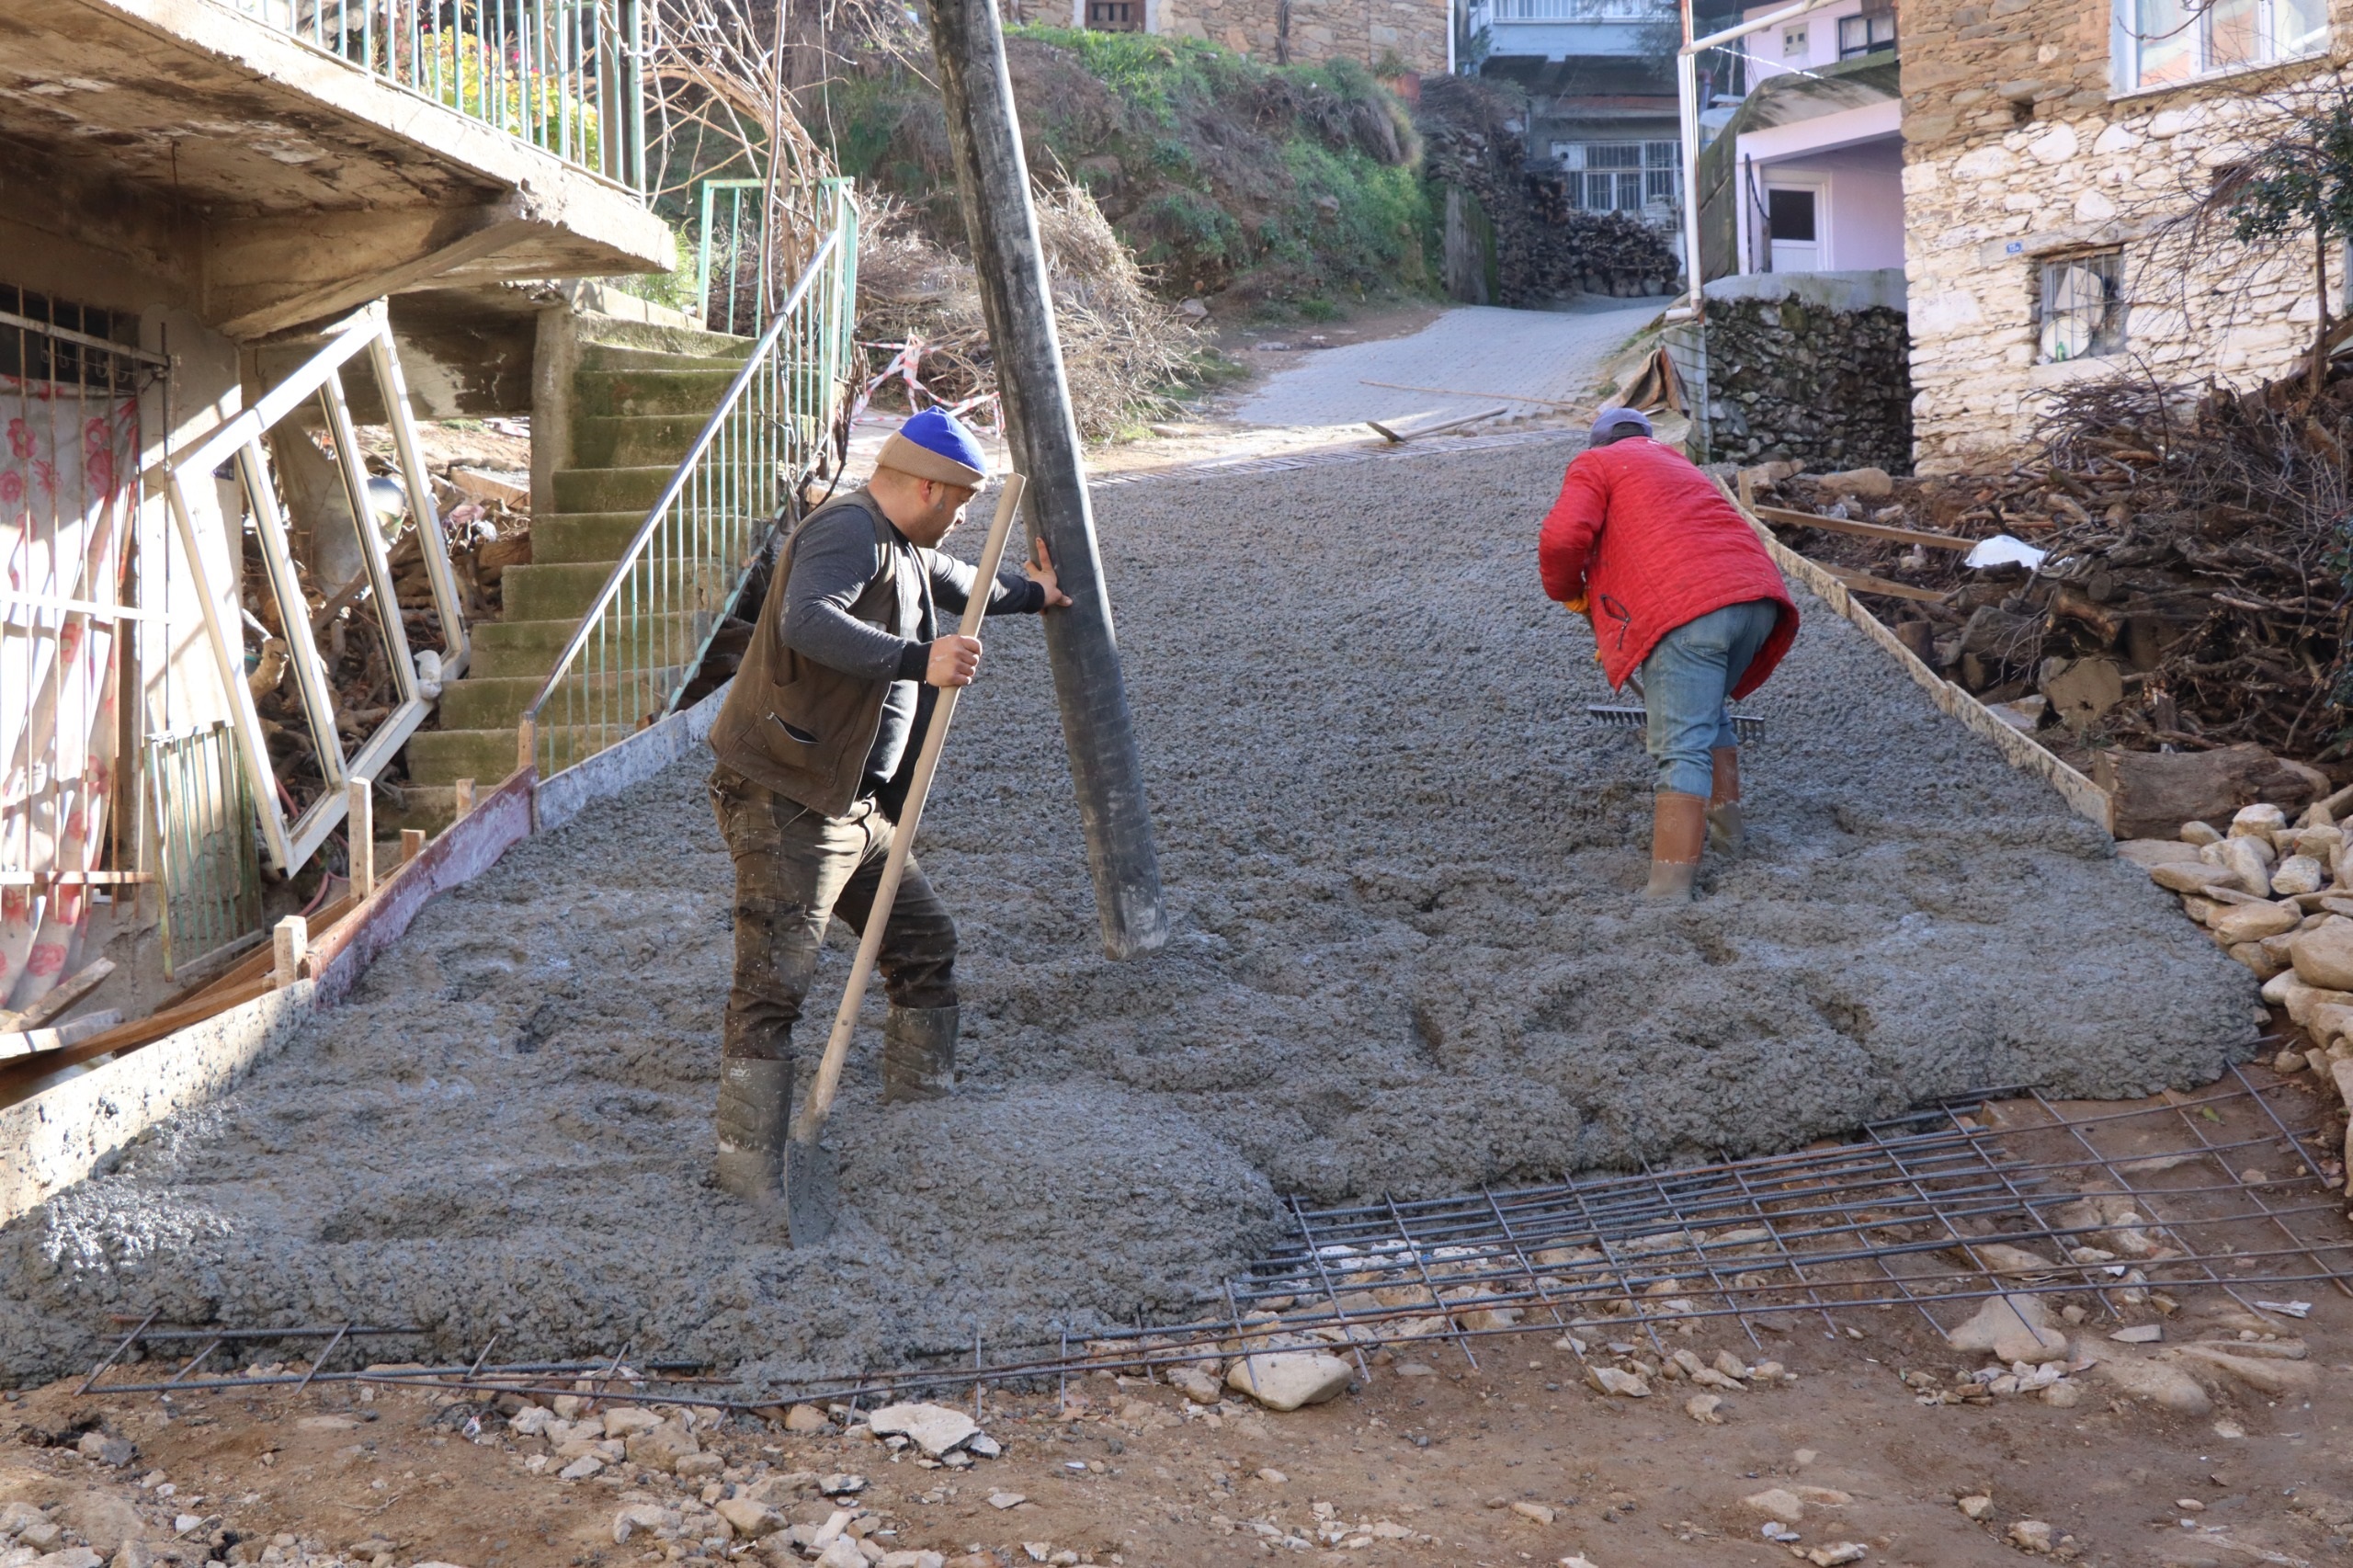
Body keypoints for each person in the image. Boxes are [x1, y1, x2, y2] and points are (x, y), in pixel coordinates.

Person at [703, 407, 1070, 1203]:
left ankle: (918, 1113)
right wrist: (919, 658)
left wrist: (1032, 595)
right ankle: (749, 1167)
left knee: (925, 943)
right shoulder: (848, 532)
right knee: (774, 984)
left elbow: (961, 587)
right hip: (791, 798)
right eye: (961, 500)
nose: (966, 515)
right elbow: (807, 622)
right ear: (926, 487)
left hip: (859, 807)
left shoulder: (901, 543)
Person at [1538, 406, 1800, 903]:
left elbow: (1562, 537)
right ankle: (1728, 841)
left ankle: (1667, 893)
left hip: (1691, 608)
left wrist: (1568, 591)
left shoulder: (1597, 463)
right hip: (1758, 600)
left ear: (1599, 443)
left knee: (1680, 745)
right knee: (1708, 715)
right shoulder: (1680, 465)